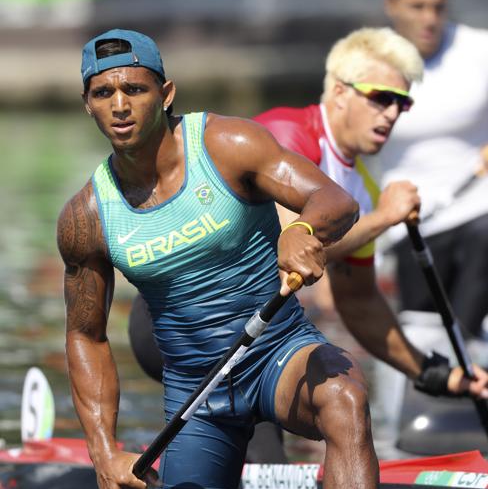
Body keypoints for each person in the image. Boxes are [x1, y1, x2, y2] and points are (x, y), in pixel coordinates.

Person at [58, 28, 387, 489]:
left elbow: (335, 201)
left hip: (278, 356)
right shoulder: (87, 217)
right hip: (195, 396)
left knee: (343, 396)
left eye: (136, 91)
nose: (120, 106)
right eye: (104, 94)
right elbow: (86, 336)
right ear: (88, 105)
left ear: (166, 94)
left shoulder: (227, 145)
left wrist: (300, 229)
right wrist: (103, 451)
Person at [127, 26, 488, 463]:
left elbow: (360, 304)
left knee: (315, 426)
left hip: (246, 339)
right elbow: (286, 250)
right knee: (256, 473)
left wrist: (434, 374)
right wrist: (384, 219)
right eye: (381, 97)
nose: (392, 114)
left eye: (402, 102)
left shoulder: (363, 186)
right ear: (339, 92)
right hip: (179, 321)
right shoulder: (286, 135)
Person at [378, 0, 488, 339]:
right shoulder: (365, 60)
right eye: (417, 6)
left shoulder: (478, 48)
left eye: (438, 7)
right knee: (425, 344)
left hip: (478, 209)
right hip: (410, 221)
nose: (430, 18)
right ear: (391, 5)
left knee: (465, 338)